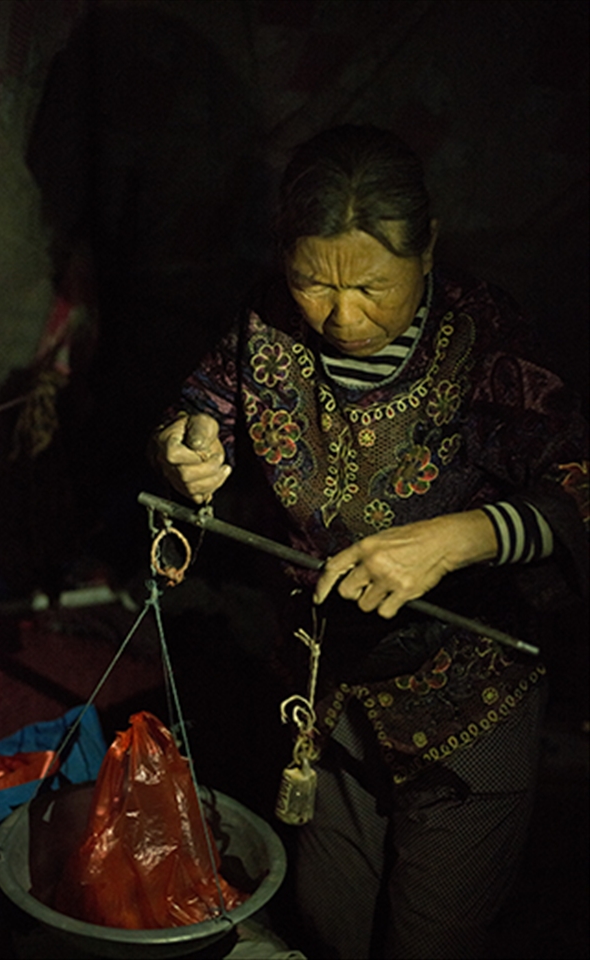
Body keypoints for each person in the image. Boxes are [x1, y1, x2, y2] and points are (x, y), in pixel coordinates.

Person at [150, 125, 588, 959]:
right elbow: (200, 402)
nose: (343, 315)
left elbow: (581, 484)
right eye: (314, 281)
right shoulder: (268, 322)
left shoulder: (486, 340)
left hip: (468, 703)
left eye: (373, 287)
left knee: (431, 939)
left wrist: (463, 537)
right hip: (328, 688)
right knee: (328, 922)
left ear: (428, 249)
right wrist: (186, 443)